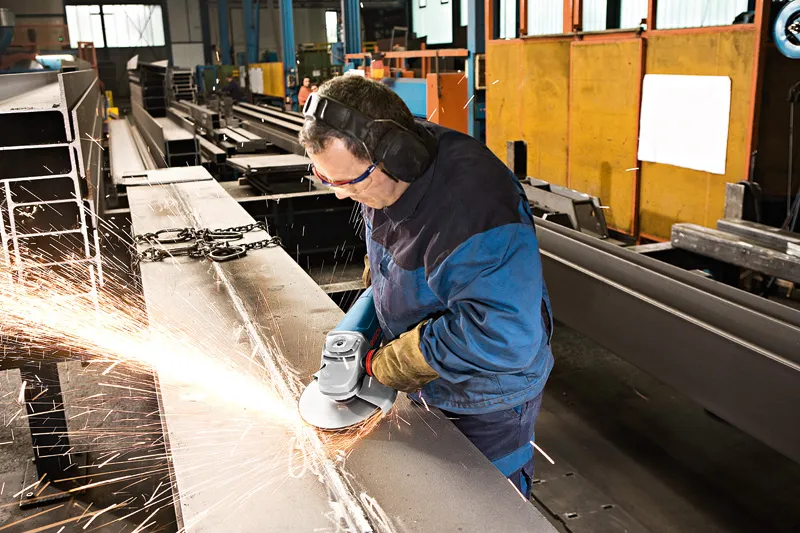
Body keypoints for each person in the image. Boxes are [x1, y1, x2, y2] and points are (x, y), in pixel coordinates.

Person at [299, 76, 553, 498]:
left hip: (488, 397)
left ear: (396, 155)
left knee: (486, 510)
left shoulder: (474, 213)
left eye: (348, 183)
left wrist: (393, 362)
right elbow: (390, 267)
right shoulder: (384, 176)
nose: (342, 197)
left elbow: (505, 336)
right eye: (327, 180)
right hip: (434, 380)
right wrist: (357, 331)